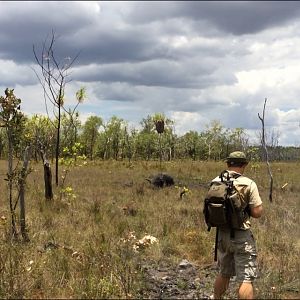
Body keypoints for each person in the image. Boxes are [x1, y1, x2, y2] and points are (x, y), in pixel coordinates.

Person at [212, 151, 263, 299]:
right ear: (244, 164)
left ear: (228, 164)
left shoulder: (215, 181)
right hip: (241, 236)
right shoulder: (248, 183)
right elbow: (257, 212)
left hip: (221, 235)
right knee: (246, 278)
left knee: (224, 273)